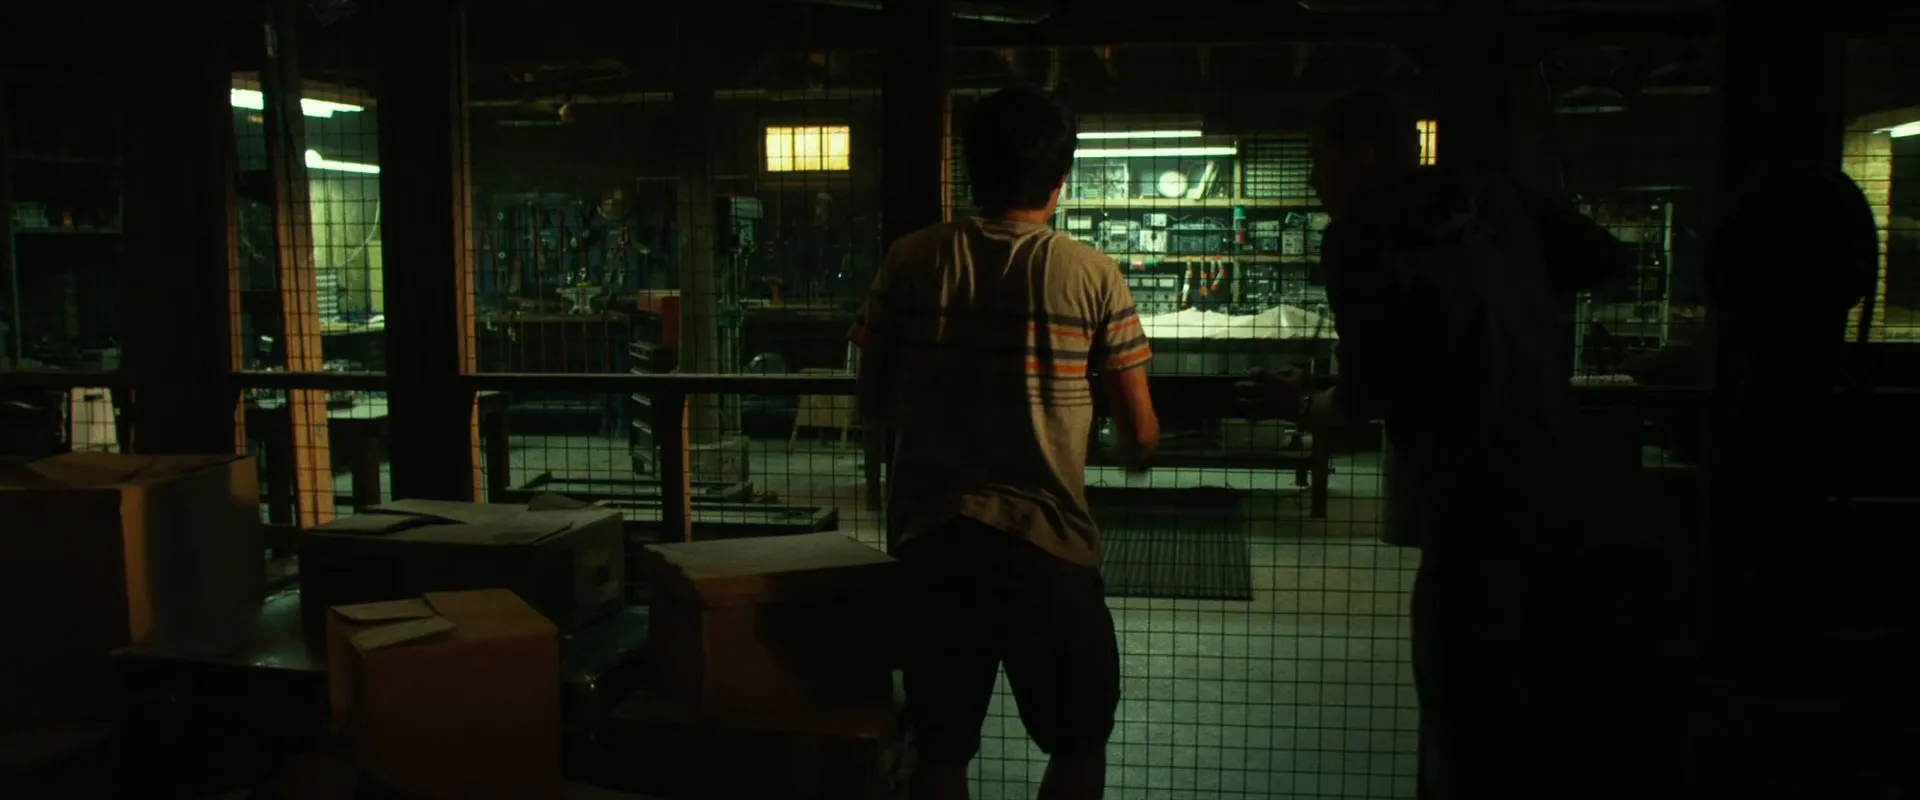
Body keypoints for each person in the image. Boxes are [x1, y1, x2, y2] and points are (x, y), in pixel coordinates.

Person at [1247, 89, 1630, 799]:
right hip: (1571, 487)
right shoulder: (1489, 194)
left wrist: (1300, 403)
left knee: (1464, 713)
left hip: (1471, 511)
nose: (1313, 181)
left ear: (1362, 156)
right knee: (1551, 713)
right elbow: (1607, 259)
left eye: (1320, 162)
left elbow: (1361, 401)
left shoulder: (1360, 234)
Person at [850, 86, 1160, 800]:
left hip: (933, 541)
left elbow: (871, 401)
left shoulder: (909, 260)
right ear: (1060, 181)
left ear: (970, 168)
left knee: (940, 755)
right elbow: (1141, 432)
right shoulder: (1092, 274)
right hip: (1047, 547)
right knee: (1077, 745)